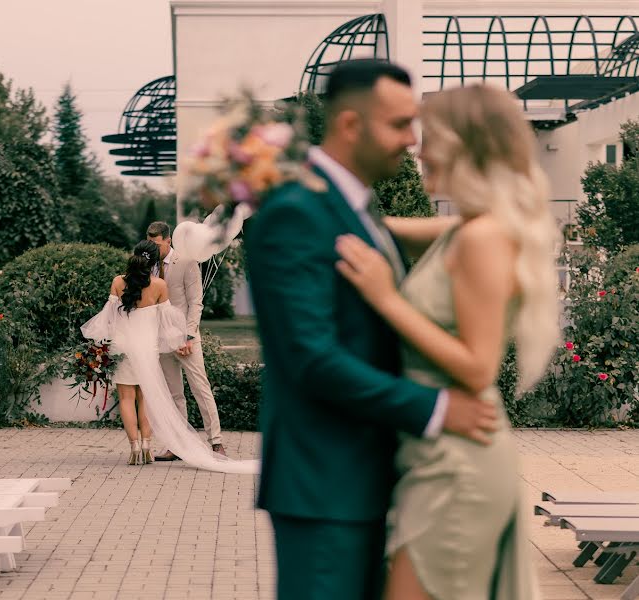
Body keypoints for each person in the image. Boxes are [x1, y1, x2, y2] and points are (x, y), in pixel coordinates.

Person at [244, 59, 500, 599]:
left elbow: (464, 233)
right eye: (400, 124)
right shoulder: (295, 212)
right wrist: (433, 409)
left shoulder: (357, 209)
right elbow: (312, 359)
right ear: (351, 125)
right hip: (326, 487)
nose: (412, 141)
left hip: (375, 478)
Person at [336, 83, 558, 599]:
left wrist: (386, 298)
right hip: (438, 457)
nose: (416, 146)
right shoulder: (469, 227)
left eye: (428, 135)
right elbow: (386, 230)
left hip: (460, 465)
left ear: (464, 144)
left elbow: (479, 367)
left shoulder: (482, 238)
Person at [81, 240, 259, 475]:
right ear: (152, 262)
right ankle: (147, 446)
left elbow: (108, 318)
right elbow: (168, 320)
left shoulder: (117, 282)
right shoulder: (158, 285)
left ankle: (134, 447)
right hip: (148, 348)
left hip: (123, 347)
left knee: (126, 398)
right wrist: (180, 339)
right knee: (146, 398)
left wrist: (99, 344)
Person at [146, 221, 226, 459]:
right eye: (149, 243)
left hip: (186, 339)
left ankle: (216, 441)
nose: (152, 248)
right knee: (174, 395)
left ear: (168, 240)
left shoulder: (187, 263)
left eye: (156, 243)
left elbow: (195, 302)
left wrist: (188, 337)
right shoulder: (148, 264)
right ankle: (178, 444)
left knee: (201, 389)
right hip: (161, 339)